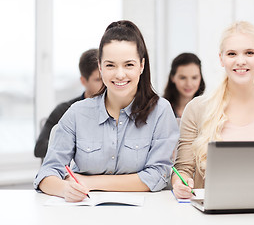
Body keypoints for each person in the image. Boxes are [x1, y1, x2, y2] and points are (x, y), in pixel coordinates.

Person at [34, 20, 179, 202]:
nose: (119, 74)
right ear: (100, 67)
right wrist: (65, 189)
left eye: (129, 65)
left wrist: (90, 182)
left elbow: (157, 176)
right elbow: (46, 174)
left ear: (141, 66)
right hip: (85, 211)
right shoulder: (77, 113)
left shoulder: (161, 111)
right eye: (110, 65)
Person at [172, 21, 254, 199]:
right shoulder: (196, 109)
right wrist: (180, 184)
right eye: (232, 54)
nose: (240, 61)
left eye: (249, 53)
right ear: (221, 59)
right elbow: (183, 169)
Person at [34, 48, 102, 159]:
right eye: (98, 80)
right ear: (83, 81)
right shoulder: (64, 110)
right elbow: (39, 148)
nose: (105, 85)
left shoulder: (116, 110)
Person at [163, 53, 205, 118]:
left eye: (194, 78)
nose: (189, 84)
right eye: (183, 78)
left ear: (200, 78)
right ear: (173, 78)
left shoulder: (208, 110)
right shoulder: (162, 109)